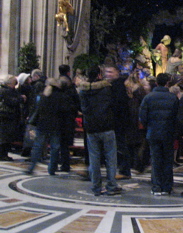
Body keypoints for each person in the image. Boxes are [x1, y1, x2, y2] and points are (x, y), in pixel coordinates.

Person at [78, 66, 122, 196]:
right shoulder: (107, 89)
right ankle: (111, 185)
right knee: (111, 158)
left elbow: (83, 109)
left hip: (91, 127)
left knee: (94, 158)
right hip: (106, 126)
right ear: (99, 75)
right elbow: (114, 105)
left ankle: (96, 186)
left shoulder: (83, 91)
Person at [139, 73, 178, 196]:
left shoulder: (148, 97)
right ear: (167, 83)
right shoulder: (173, 98)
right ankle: (167, 187)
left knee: (155, 160)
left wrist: (148, 126)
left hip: (153, 133)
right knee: (167, 160)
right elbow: (178, 117)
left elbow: (142, 116)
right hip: (168, 133)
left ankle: (156, 186)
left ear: (156, 83)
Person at [26, 78, 74, 175]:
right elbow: (65, 110)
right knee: (54, 148)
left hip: (42, 124)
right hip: (56, 125)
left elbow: (38, 109)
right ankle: (52, 169)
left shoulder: (43, 95)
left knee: (37, 146)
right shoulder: (61, 96)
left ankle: (31, 167)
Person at [103, 65, 133, 179]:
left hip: (119, 122)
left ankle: (124, 170)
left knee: (121, 145)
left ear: (117, 73)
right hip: (115, 121)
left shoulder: (118, 86)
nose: (108, 74)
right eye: (106, 72)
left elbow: (118, 105)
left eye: (110, 72)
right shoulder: (114, 85)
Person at [0, 76, 23, 161]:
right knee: (5, 137)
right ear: (9, 83)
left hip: (6, 116)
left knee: (5, 136)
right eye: (14, 84)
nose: (15, 86)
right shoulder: (6, 91)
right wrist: (21, 98)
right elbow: (12, 102)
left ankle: (3, 154)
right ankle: (3, 155)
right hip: (7, 117)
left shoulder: (4, 90)